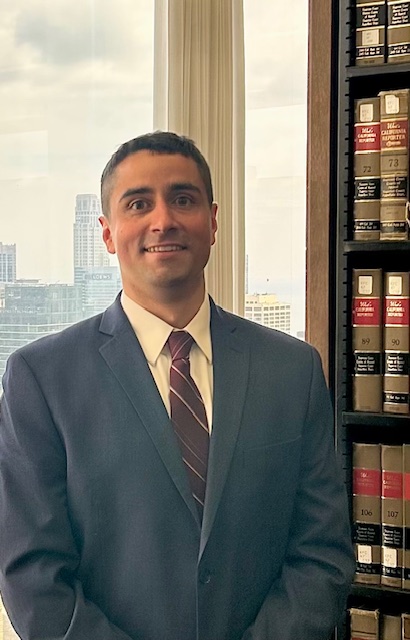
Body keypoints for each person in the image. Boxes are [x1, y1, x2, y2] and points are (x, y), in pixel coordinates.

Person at [0, 131, 355, 640]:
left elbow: (321, 553)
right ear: (107, 233)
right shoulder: (41, 379)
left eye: (183, 199)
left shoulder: (292, 371)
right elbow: (33, 577)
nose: (163, 220)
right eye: (138, 203)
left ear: (213, 222)